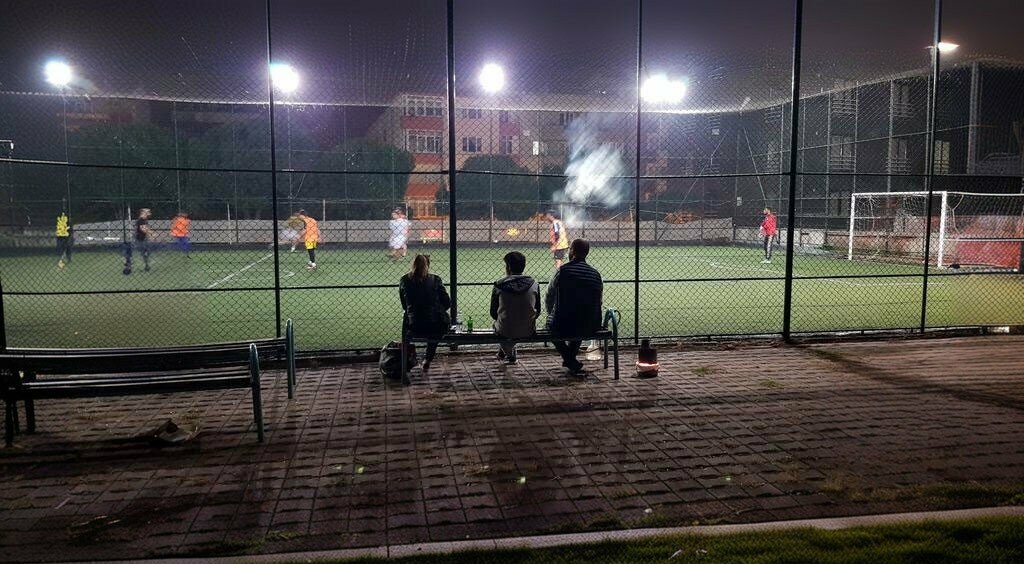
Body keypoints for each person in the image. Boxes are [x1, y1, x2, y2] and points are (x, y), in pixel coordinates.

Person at [545, 239, 603, 375]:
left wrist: (551, 313)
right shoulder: (595, 274)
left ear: (572, 251)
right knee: (581, 319)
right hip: (591, 324)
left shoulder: (562, 271)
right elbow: (599, 301)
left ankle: (569, 359)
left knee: (551, 326)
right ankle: (570, 358)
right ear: (586, 253)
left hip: (563, 323)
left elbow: (549, 295)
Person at [399, 254, 451, 371]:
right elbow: (447, 302)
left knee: (410, 320)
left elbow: (404, 305)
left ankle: (410, 360)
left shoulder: (404, 280)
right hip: (434, 325)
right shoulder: (435, 280)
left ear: (413, 265)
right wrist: (437, 308)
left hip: (414, 325)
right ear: (428, 265)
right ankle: (428, 358)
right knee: (438, 328)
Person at [490, 251, 541, 365]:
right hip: (528, 329)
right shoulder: (534, 284)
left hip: (505, 329)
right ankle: (506, 351)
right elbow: (538, 311)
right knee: (510, 325)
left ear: (508, 267)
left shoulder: (499, 285)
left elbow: (493, 313)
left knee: (498, 325)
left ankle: (508, 352)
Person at [124, 207, 153, 275]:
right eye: (148, 212)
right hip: (138, 239)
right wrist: (152, 233)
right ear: (143, 213)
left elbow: (146, 229)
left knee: (145, 253)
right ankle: (129, 267)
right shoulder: (141, 220)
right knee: (142, 253)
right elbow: (143, 229)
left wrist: (150, 233)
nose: (150, 213)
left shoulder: (144, 220)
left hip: (142, 239)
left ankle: (146, 265)